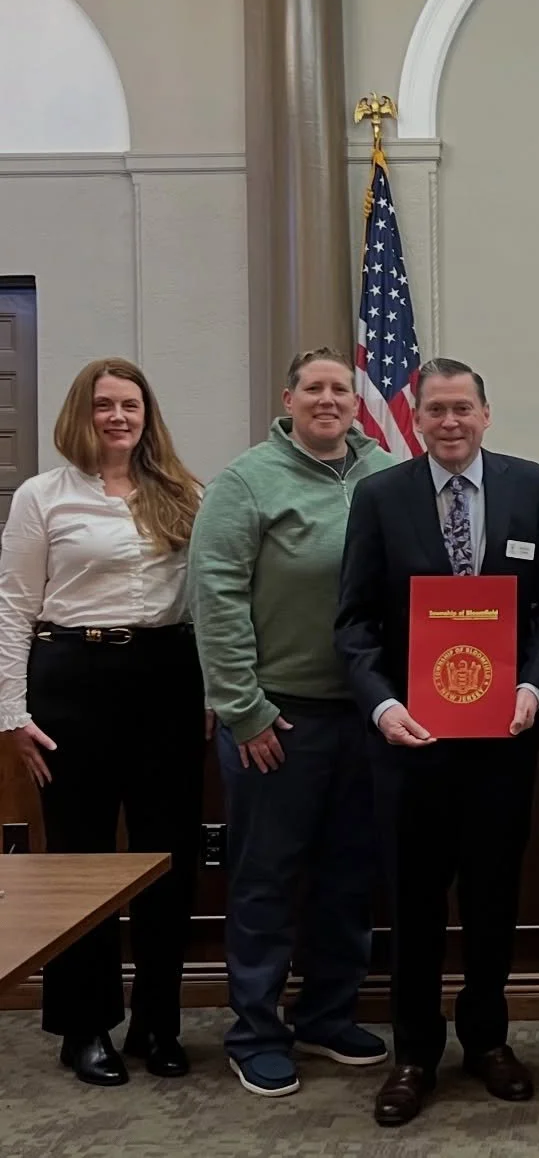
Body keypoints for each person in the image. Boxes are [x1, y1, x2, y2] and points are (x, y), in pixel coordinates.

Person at [335, 357, 539, 1127]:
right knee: (412, 903)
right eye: (435, 410)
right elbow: (355, 622)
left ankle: (486, 1040)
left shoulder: (530, 486)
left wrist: (533, 686)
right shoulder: (380, 497)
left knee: (492, 898)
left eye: (461, 409)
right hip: (410, 744)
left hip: (502, 742)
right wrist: (381, 707)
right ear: (416, 421)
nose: (448, 422)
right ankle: (414, 1054)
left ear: (485, 415)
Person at [189, 347, 397, 1098]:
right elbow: (214, 600)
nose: (329, 399)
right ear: (289, 399)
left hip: (368, 716)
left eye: (340, 388)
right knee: (265, 881)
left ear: (355, 401)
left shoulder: (386, 475)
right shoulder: (246, 483)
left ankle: (328, 1015)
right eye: (314, 388)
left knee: (350, 878)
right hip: (276, 719)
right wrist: (245, 712)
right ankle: (255, 1030)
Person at [0, 358, 206, 1086]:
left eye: (131, 405)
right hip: (73, 682)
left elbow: (209, 598)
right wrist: (12, 714)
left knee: (166, 858)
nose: (119, 417)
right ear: (79, 415)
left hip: (167, 679)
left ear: (148, 416)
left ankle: (158, 1020)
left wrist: (214, 695)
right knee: (81, 860)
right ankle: (83, 1025)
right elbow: (15, 606)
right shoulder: (42, 496)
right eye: (104, 405)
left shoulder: (183, 493)